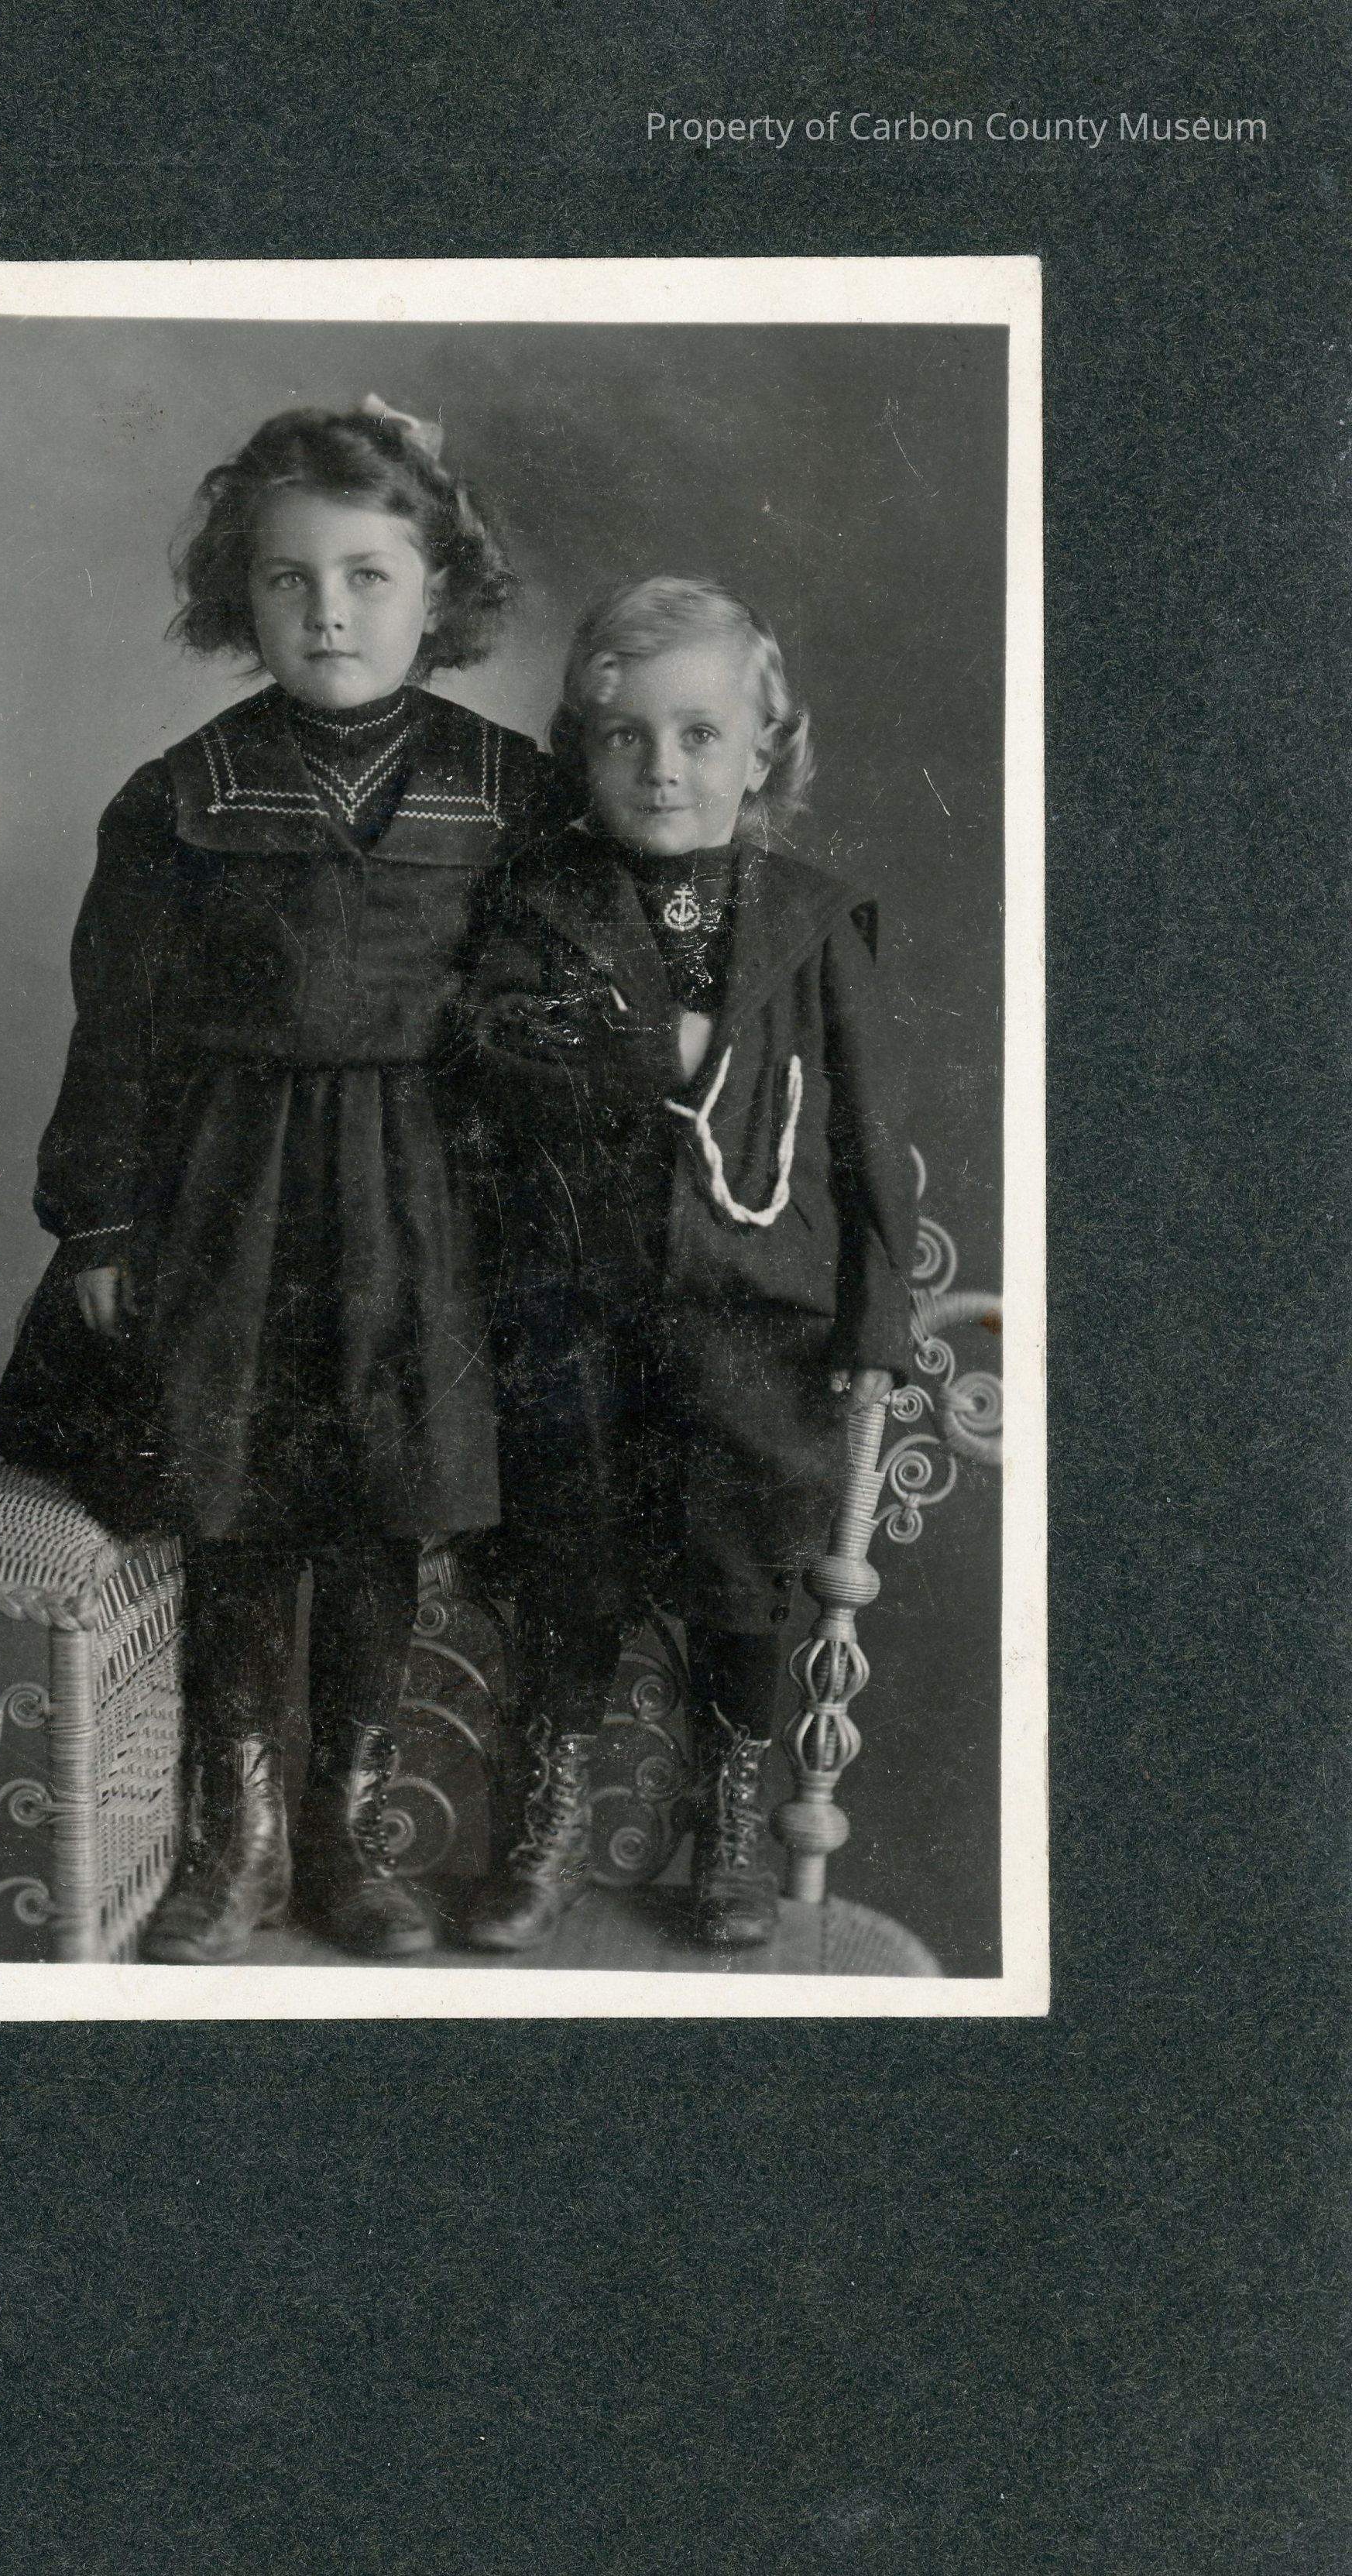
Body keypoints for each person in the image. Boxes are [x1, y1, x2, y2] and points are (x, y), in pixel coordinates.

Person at [0, 399, 544, 1963]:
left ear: (439, 591)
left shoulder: (510, 791)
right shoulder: (181, 793)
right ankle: (233, 1843)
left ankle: (344, 1838)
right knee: (236, 1511)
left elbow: (549, 1019)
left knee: (380, 1514)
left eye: (370, 576)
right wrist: (101, 1221)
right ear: (241, 594)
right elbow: (119, 1030)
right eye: (290, 578)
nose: (330, 612)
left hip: (423, 1216)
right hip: (230, 1206)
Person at [460, 576, 917, 1954]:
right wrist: (641, 1048)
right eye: (626, 737)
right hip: (578, 1307)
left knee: (737, 1579)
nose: (663, 767)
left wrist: (877, 1325)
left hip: (758, 1318)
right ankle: (545, 1826)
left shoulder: (814, 919)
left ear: (764, 749)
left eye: (701, 734)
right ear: (582, 751)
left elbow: (869, 1140)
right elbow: (498, 1057)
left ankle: (728, 1824)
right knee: (570, 1564)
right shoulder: (545, 906)